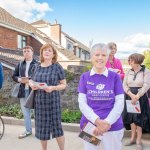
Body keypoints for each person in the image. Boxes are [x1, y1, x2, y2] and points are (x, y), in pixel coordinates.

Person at [78, 43, 124, 150]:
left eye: (103, 55)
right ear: (91, 57)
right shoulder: (84, 77)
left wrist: (107, 122)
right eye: (97, 54)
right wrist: (97, 121)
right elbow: (82, 102)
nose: (100, 58)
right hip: (89, 127)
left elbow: (120, 102)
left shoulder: (115, 77)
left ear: (107, 57)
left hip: (112, 126)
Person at [29, 43, 67, 150]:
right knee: (41, 129)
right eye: (44, 50)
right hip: (39, 102)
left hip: (53, 102)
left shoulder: (57, 67)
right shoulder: (36, 66)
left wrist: (53, 88)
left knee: (57, 128)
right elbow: (31, 79)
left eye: (49, 50)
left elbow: (64, 85)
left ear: (53, 54)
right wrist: (32, 84)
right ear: (41, 53)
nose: (46, 52)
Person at [123, 53, 150, 150]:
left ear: (137, 61)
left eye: (131, 60)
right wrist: (131, 95)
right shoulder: (128, 72)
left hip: (141, 97)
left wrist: (137, 96)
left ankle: (138, 140)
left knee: (140, 119)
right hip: (130, 97)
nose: (129, 62)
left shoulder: (146, 71)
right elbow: (124, 85)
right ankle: (132, 139)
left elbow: (146, 85)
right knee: (131, 118)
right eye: (129, 60)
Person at [12, 46, 38, 139]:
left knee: (36, 112)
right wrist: (19, 79)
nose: (26, 52)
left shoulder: (37, 64)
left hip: (34, 91)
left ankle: (39, 131)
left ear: (32, 52)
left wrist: (29, 80)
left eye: (28, 51)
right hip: (23, 91)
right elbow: (14, 76)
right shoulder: (20, 64)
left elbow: (39, 77)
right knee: (25, 112)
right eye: (24, 51)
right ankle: (28, 131)